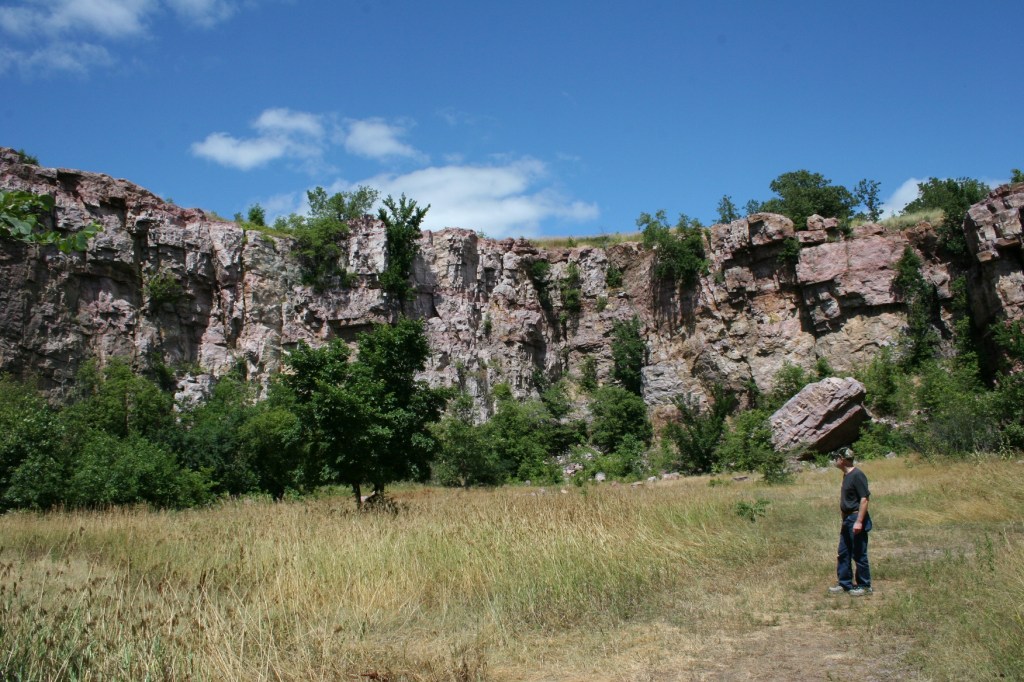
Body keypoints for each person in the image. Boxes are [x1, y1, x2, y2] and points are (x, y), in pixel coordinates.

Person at [828, 447, 872, 596]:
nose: (836, 460)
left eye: (837, 457)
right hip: (847, 519)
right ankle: (845, 583)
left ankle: (865, 586)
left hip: (855, 518)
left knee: (859, 553)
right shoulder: (846, 476)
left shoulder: (857, 475)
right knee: (843, 552)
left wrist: (859, 521)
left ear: (843, 459)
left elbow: (864, 499)